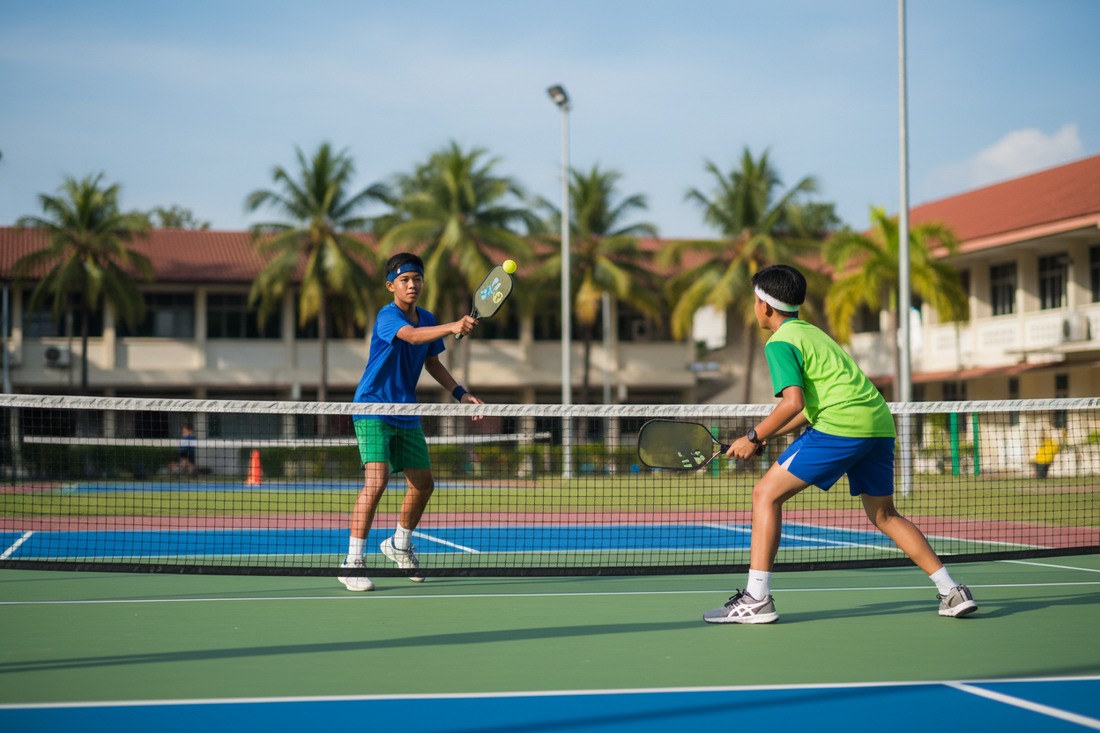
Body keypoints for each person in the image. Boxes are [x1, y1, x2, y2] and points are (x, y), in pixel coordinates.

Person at [704, 264, 977, 624]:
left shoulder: (779, 343)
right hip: (878, 424)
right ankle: (952, 591)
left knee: (764, 494)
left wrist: (752, 436)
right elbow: (813, 406)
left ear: (764, 305)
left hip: (841, 426)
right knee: (884, 514)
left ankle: (756, 599)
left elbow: (793, 403)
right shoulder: (814, 334)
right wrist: (765, 437)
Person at [339, 253, 485, 592]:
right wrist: (452, 326)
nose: (412, 285)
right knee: (376, 483)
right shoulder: (387, 316)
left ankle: (399, 545)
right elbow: (413, 337)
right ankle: (352, 563)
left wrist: (461, 394)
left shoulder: (428, 318)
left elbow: (432, 362)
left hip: (406, 411)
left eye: (417, 279)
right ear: (391, 286)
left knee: (423, 485)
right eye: (404, 280)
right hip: (373, 407)